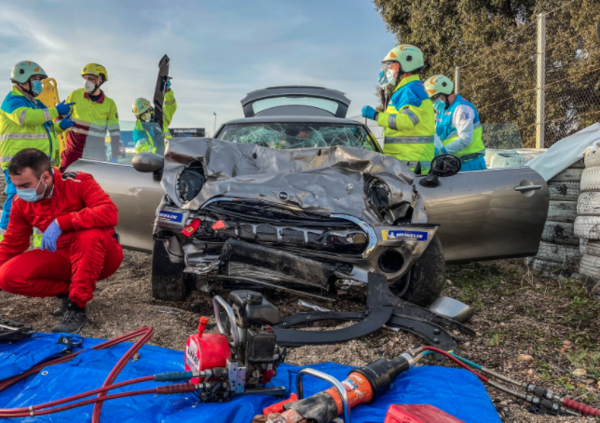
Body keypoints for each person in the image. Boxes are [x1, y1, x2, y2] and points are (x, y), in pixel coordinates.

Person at [0, 148, 123, 333]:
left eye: (25, 185)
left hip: (103, 256)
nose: (20, 191)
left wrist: (63, 222)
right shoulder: (20, 202)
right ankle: (70, 291)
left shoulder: (79, 181)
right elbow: (12, 244)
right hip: (64, 257)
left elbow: (109, 212)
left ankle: (76, 308)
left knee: (89, 235)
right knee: (7, 276)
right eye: (16, 185)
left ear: (46, 178)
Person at [0, 61, 74, 244]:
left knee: (42, 203)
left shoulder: (37, 103)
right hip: (19, 163)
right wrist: (56, 110)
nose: (39, 83)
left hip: (37, 164)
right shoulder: (13, 100)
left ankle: (44, 245)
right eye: (35, 79)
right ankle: (4, 241)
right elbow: (26, 118)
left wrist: (60, 126)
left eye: (40, 79)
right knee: (16, 201)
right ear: (22, 80)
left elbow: (45, 129)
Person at [361, 45, 436, 174]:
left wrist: (375, 116)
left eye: (392, 65)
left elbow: (406, 121)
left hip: (410, 163)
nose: (388, 70)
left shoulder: (410, 91)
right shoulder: (408, 89)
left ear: (406, 64)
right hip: (406, 161)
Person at [60, 63, 121, 170]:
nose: (86, 81)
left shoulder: (110, 104)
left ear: (100, 81)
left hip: (95, 154)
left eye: (91, 78)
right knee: (63, 182)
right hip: (72, 152)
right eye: (85, 78)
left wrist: (114, 155)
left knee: (95, 184)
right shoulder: (75, 95)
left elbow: (114, 132)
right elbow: (61, 116)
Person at [424, 74, 486, 171]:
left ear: (443, 94)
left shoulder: (461, 108)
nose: (433, 103)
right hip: (454, 164)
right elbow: (439, 136)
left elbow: (465, 139)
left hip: (470, 164)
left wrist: (441, 151)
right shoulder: (442, 111)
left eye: (434, 98)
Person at [131, 80, 177, 154]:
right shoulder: (139, 131)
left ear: (150, 109)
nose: (146, 115)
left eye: (147, 111)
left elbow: (170, 107)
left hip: (171, 157)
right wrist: (155, 151)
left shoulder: (159, 119)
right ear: (139, 117)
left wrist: (168, 92)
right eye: (143, 115)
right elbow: (141, 148)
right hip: (155, 161)